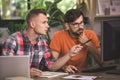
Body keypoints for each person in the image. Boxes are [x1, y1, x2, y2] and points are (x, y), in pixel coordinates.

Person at [2, 9, 83, 77]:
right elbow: (4, 70)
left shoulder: (43, 42)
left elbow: (52, 66)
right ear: (32, 24)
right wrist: (27, 72)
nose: (48, 26)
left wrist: (69, 54)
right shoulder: (13, 40)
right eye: (44, 22)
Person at [50, 9, 103, 73]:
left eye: (81, 22)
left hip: (83, 73)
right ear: (67, 25)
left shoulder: (90, 34)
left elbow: (101, 62)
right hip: (64, 74)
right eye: (76, 24)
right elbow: (51, 65)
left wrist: (88, 43)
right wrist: (64, 67)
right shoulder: (58, 36)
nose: (80, 27)